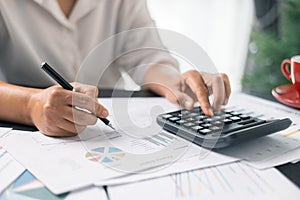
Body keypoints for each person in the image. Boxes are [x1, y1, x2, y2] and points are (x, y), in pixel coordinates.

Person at [0, 0, 231, 137]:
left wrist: (177, 84)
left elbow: (146, 55)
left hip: (102, 117)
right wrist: (30, 105)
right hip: (23, 125)